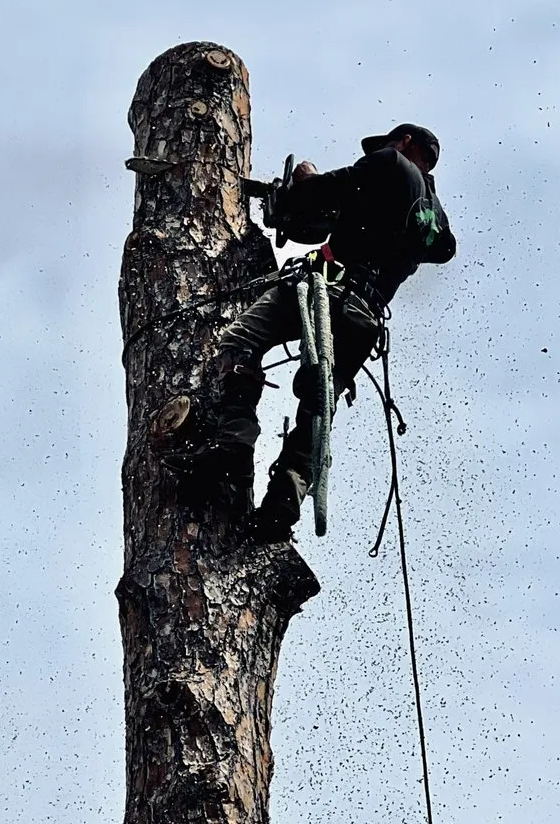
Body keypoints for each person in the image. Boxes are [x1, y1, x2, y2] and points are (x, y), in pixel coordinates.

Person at [165, 124, 457, 542]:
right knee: (319, 401)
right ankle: (286, 499)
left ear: (405, 142)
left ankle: (232, 448)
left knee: (240, 341)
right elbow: (435, 247)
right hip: (365, 317)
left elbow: (321, 192)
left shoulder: (391, 163)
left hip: (328, 290)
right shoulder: (434, 221)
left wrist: (306, 178)